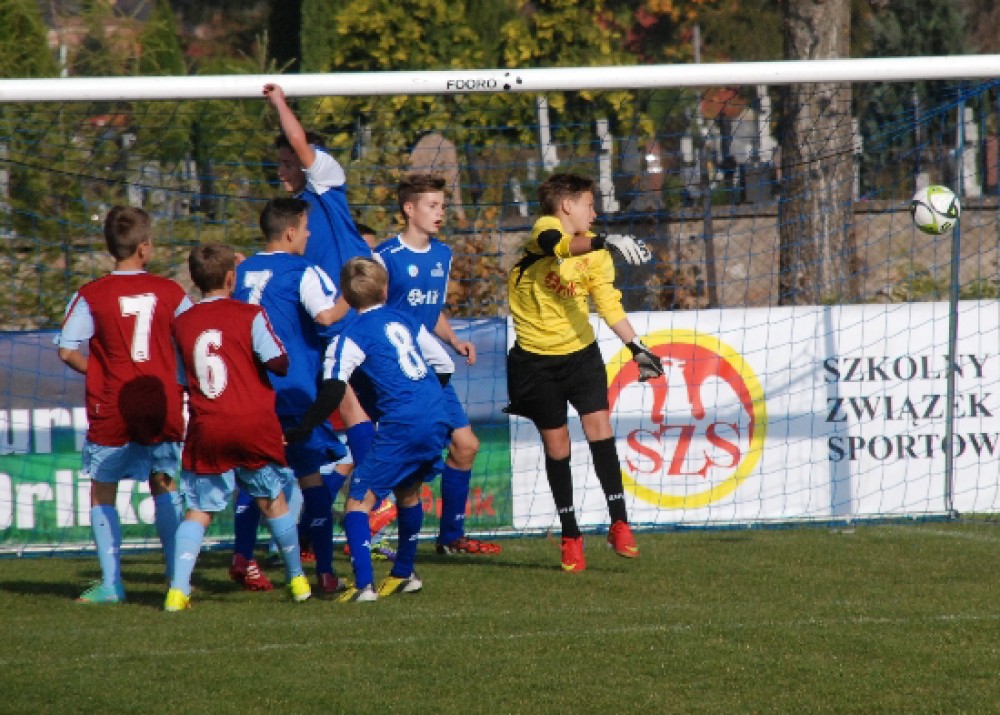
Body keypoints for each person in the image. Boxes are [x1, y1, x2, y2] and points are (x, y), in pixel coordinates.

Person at [505, 172, 660, 572]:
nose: (595, 213)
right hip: (535, 362)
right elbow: (557, 246)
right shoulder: (545, 228)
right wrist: (605, 240)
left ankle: (619, 523)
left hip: (581, 356)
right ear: (567, 206)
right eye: (590, 205)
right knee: (558, 447)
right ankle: (570, 535)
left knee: (600, 429)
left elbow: (608, 303)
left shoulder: (596, 252)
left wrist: (637, 347)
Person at [285, 257, 455, 602]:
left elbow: (333, 389)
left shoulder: (350, 336)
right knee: (408, 491)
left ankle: (364, 585)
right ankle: (404, 573)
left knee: (357, 504)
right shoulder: (405, 319)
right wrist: (422, 400)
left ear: (345, 297)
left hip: (403, 421)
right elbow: (445, 363)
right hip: (437, 414)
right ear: (385, 290)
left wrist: (303, 427)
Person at [165, 243, 310, 610]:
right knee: (273, 501)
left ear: (195, 280)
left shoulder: (181, 323)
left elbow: (182, 380)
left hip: (209, 424)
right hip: (252, 422)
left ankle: (178, 590)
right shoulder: (250, 313)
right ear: (232, 278)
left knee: (199, 510)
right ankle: (297, 580)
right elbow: (279, 362)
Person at [57, 206, 191, 603]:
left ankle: (112, 583)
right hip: (160, 401)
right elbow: (192, 337)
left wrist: (97, 371)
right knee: (163, 481)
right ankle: (175, 578)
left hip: (112, 403)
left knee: (103, 490)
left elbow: (66, 350)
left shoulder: (91, 294)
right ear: (145, 247)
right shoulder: (172, 292)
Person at [372, 174, 501, 555]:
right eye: (432, 206)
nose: (440, 213)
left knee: (466, 445)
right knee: (404, 454)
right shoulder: (385, 257)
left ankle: (450, 537)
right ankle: (365, 529)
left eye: (442, 206)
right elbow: (371, 314)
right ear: (409, 209)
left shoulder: (443, 254)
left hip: (431, 367)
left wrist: (454, 340)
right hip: (398, 372)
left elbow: (431, 311)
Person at [229, 197, 348, 595]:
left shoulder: (241, 271)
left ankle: (242, 556)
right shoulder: (303, 271)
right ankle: (325, 571)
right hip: (292, 391)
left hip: (248, 393)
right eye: (306, 227)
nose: (310, 234)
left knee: (253, 475)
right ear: (291, 232)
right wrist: (352, 295)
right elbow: (325, 316)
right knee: (311, 477)